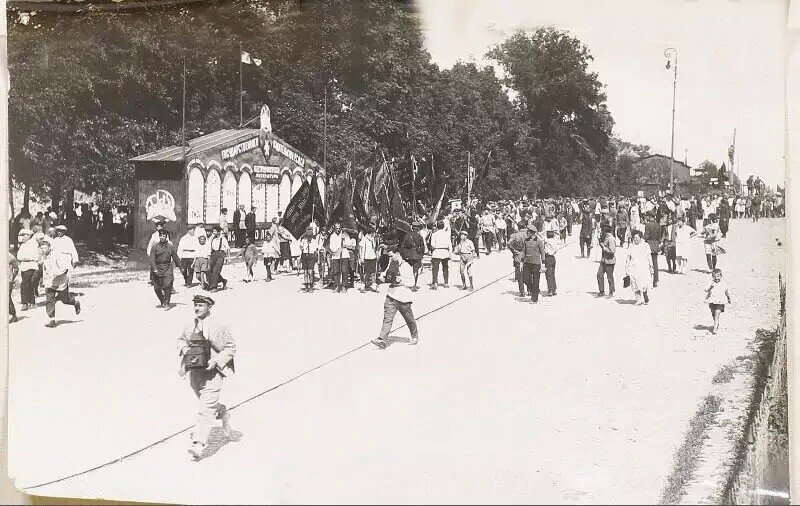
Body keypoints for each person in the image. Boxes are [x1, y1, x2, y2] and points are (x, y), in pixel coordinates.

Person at [177, 294, 236, 461]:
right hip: (195, 372)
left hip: (213, 373)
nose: (197, 308)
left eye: (201, 305)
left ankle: (199, 444)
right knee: (207, 404)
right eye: (195, 305)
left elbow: (231, 348)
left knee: (205, 409)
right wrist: (185, 350)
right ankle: (223, 412)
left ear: (209, 307)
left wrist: (216, 361)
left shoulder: (221, 325)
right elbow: (180, 340)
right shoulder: (189, 324)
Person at [371, 247, 419, 349]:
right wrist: (382, 277)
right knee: (387, 318)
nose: (391, 258)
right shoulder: (391, 263)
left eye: (392, 256)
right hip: (391, 295)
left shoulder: (406, 267)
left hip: (403, 298)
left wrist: (401, 280)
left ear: (398, 254)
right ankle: (382, 339)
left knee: (409, 319)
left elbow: (412, 283)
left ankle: (414, 335)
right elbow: (385, 274)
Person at [39, 238, 81, 327]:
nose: (43, 250)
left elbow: (65, 267)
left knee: (64, 300)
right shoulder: (43, 257)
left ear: (49, 247)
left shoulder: (57, 255)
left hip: (60, 280)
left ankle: (74, 302)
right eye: (41, 248)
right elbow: (45, 269)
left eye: (44, 248)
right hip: (49, 281)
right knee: (49, 300)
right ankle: (52, 320)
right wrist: (44, 279)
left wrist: (56, 273)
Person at [149, 229, 181, 309]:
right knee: (157, 288)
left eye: (164, 236)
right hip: (158, 268)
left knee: (168, 285)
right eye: (161, 236)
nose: (162, 237)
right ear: (159, 236)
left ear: (166, 237)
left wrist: (181, 267)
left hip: (167, 267)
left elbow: (175, 257)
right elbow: (152, 259)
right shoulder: (155, 247)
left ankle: (167, 302)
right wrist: (154, 268)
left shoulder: (170, 247)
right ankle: (162, 300)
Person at [624, 230, 653, 305]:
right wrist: (627, 266)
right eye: (634, 238)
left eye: (636, 237)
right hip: (633, 267)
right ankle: (638, 299)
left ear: (640, 237)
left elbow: (649, 256)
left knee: (643, 283)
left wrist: (651, 266)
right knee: (634, 283)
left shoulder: (645, 245)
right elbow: (628, 256)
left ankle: (645, 293)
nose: (635, 239)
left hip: (643, 267)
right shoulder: (631, 246)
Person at [520, 223, 545, 303]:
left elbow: (542, 253)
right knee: (525, 279)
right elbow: (524, 252)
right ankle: (535, 290)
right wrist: (521, 262)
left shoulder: (539, 241)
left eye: (529, 232)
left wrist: (543, 263)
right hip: (527, 263)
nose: (527, 233)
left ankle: (534, 298)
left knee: (536, 280)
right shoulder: (526, 241)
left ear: (533, 232)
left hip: (536, 263)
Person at [16, 229, 39, 310]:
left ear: (29, 236)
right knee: (28, 284)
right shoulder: (23, 245)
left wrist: (25, 258)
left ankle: (25, 303)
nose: (22, 237)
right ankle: (31, 302)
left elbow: (35, 257)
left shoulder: (33, 244)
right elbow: (18, 256)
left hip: (31, 266)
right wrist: (24, 258)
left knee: (24, 284)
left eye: (24, 235)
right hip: (24, 267)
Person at [705, 269, 732, 335]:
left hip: (720, 301)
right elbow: (706, 290)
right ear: (712, 276)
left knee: (717, 314)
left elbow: (726, 292)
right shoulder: (711, 283)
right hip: (712, 301)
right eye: (714, 276)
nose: (716, 278)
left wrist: (728, 298)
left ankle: (715, 328)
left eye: (718, 276)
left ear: (721, 276)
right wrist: (710, 287)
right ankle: (716, 323)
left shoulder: (723, 284)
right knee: (713, 314)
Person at [400, 222, 425, 289]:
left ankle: (408, 284)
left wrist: (404, 255)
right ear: (418, 229)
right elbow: (422, 248)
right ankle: (414, 284)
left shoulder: (407, 235)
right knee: (415, 270)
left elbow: (403, 247)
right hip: (416, 255)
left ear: (412, 227)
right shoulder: (420, 237)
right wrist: (421, 256)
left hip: (408, 255)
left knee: (408, 270)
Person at [507, 219, 528, 297]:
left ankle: (522, 291)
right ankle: (529, 290)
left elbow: (508, 243)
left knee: (520, 274)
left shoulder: (515, 235)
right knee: (529, 273)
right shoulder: (528, 235)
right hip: (527, 255)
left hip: (518, 255)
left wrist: (514, 250)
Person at [429, 220, 452, 289]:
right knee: (445, 267)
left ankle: (435, 282)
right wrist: (450, 253)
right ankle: (446, 282)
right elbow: (449, 245)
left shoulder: (434, 234)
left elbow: (432, 245)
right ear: (443, 226)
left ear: (437, 226)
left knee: (435, 268)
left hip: (437, 251)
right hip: (445, 251)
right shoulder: (447, 234)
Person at [543, 228, 566, 296]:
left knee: (548, 274)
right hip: (553, 258)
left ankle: (550, 289)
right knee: (552, 273)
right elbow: (556, 249)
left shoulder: (546, 241)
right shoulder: (554, 241)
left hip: (548, 257)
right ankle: (554, 288)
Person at [643, 213, 663, 288]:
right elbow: (659, 236)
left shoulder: (648, 225)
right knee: (655, 263)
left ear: (649, 216)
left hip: (649, 245)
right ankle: (655, 280)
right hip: (656, 244)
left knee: (648, 263)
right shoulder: (658, 224)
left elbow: (646, 236)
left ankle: (648, 280)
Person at [207, 226, 230, 292]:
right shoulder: (212, 238)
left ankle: (214, 287)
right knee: (210, 270)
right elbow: (209, 247)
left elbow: (228, 248)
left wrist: (228, 258)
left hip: (220, 255)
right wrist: (208, 256)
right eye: (213, 231)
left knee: (216, 271)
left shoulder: (223, 239)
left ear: (219, 232)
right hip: (213, 254)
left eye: (215, 231)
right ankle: (223, 281)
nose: (214, 233)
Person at [328, 223, 349, 293]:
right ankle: (336, 285)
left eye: (339, 228)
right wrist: (336, 250)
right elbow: (331, 246)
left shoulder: (345, 235)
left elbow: (349, 244)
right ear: (334, 229)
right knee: (336, 271)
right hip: (336, 256)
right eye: (337, 228)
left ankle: (344, 286)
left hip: (344, 255)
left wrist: (344, 242)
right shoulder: (332, 236)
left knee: (344, 271)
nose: (338, 230)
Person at [597, 225, 617, 297]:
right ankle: (601, 291)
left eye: (602, 231)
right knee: (599, 275)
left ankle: (611, 292)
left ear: (606, 232)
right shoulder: (606, 238)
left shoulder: (611, 239)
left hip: (609, 261)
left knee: (609, 277)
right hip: (604, 260)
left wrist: (603, 247)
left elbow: (612, 251)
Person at [359, 227, 379, 293]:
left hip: (372, 257)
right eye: (374, 233)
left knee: (373, 272)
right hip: (366, 258)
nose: (374, 234)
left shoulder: (373, 239)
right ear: (371, 233)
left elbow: (374, 248)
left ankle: (374, 286)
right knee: (365, 273)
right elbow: (361, 249)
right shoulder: (364, 239)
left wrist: (376, 255)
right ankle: (362, 286)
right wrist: (361, 258)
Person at [299, 227, 319, 291]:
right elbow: (301, 247)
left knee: (310, 271)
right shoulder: (303, 239)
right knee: (305, 272)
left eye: (310, 230)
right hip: (304, 255)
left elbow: (316, 249)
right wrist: (302, 247)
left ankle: (311, 285)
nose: (309, 232)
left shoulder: (314, 239)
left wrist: (316, 257)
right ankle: (306, 285)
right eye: (308, 230)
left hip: (311, 256)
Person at [8, 244, 19, 324]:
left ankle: (13, 315)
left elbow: (16, 268)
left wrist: (12, 278)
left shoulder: (10, 256)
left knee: (6, 298)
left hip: (7, 280)